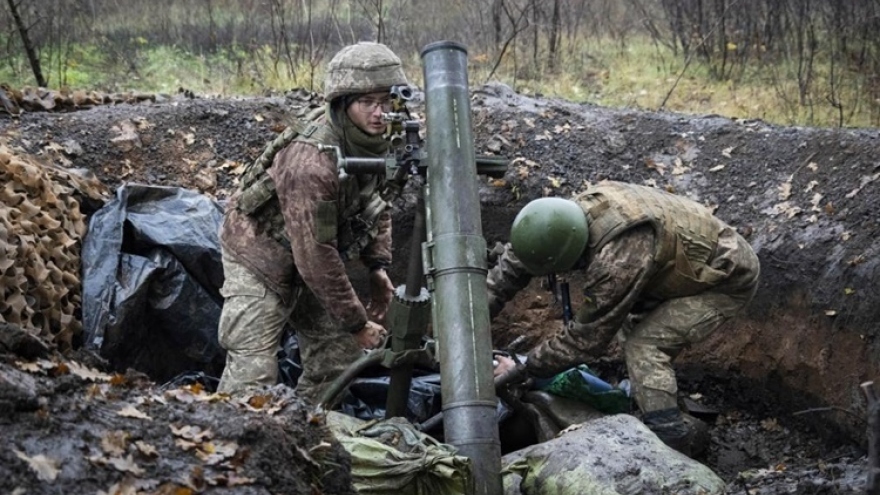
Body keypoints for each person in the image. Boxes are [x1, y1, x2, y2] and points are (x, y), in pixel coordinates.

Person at [489, 180, 760, 456]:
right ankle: (657, 404)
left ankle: (672, 442)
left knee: (645, 344)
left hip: (725, 276)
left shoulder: (616, 260)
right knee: (633, 330)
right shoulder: (553, 222)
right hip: (674, 263)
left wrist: (523, 368)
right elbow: (508, 270)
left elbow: (587, 338)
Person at [215, 42, 409, 403]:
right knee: (252, 373)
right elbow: (314, 254)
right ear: (343, 104)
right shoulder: (312, 161)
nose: (380, 113)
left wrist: (377, 267)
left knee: (338, 360)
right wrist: (356, 321)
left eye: (387, 101)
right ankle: (228, 445)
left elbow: (380, 203)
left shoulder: (385, 141)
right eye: (368, 102)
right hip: (260, 254)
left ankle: (303, 431)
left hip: (314, 254)